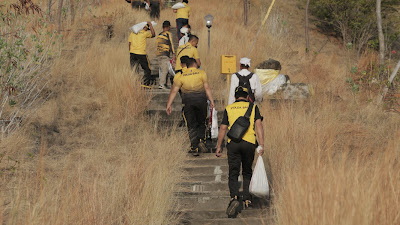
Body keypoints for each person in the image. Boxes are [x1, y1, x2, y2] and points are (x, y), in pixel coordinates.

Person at [216, 86, 264, 218]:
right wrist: (261, 145)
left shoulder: (229, 108)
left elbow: (223, 128)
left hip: (233, 144)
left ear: (235, 96)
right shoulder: (253, 107)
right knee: (247, 170)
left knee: (233, 172)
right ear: (247, 96)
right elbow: (259, 125)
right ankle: (247, 199)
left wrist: (219, 146)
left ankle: (234, 198)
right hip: (249, 143)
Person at [166, 58, 214, 156]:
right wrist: (211, 100)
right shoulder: (201, 73)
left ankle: (194, 147)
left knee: (191, 125)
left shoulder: (180, 76)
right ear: (194, 64)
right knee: (202, 122)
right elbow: (207, 88)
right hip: (201, 102)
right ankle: (201, 140)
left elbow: (174, 91)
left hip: (188, 104)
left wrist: (169, 104)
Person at [129, 21, 155, 86]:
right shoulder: (144, 33)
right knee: (147, 69)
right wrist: (151, 25)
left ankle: (134, 83)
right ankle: (145, 84)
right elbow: (153, 34)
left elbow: (129, 43)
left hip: (132, 53)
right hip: (141, 54)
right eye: (147, 28)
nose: (147, 30)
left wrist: (131, 51)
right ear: (145, 28)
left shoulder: (133, 33)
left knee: (134, 69)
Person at [156, 20, 175, 89]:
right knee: (165, 70)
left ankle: (163, 84)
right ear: (168, 27)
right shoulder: (168, 34)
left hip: (158, 54)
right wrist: (173, 53)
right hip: (165, 54)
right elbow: (171, 43)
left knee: (161, 69)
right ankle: (162, 84)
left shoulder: (159, 35)